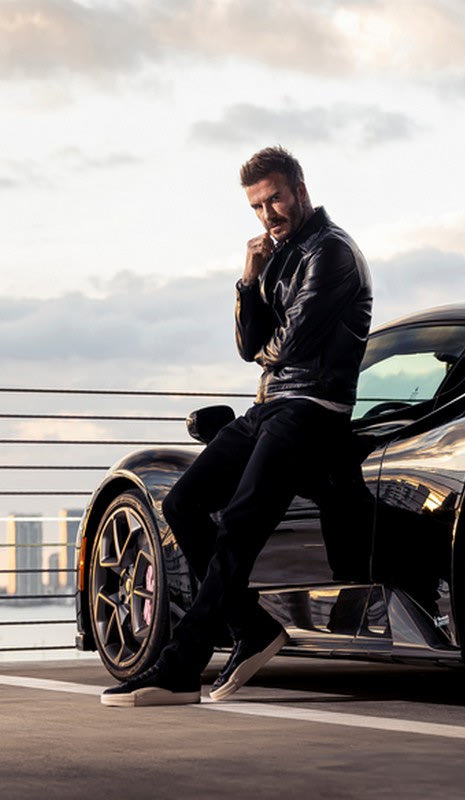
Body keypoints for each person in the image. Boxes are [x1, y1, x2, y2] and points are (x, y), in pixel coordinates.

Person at [102, 146, 373, 706]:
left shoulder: (333, 252)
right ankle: (251, 627)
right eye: (257, 206)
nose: (268, 213)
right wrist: (248, 281)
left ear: (300, 189)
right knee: (182, 504)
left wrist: (266, 350)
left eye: (275, 198)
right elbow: (251, 344)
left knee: (240, 525)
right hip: (268, 407)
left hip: (313, 409)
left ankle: (180, 668)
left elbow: (288, 345)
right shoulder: (277, 256)